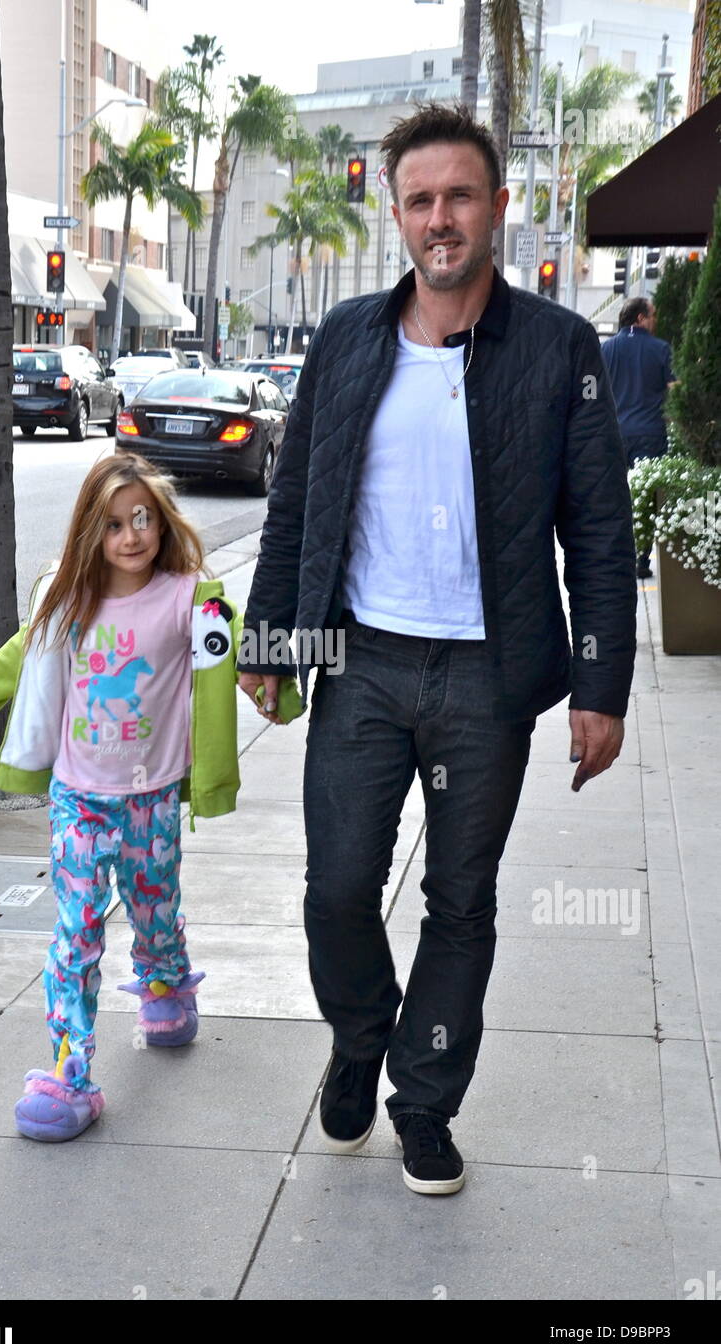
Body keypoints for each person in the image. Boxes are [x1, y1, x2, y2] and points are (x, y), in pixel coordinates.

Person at [236, 103, 637, 1197]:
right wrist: (275, 644)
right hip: (361, 665)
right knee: (335, 889)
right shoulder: (347, 338)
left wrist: (599, 683)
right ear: (396, 214)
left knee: (461, 903)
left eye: (459, 195)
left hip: (483, 678)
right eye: (419, 199)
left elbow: (600, 530)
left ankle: (423, 1101)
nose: (439, 217)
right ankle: (362, 1034)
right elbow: (297, 507)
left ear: (496, 208)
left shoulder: (558, 348)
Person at [0, 454, 292, 1141]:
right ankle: (70, 1075)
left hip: (151, 800)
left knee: (154, 908)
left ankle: (165, 984)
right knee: (76, 933)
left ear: (161, 523)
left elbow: (237, 654)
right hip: (79, 799)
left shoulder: (191, 595)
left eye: (143, 520)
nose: (131, 536)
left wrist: (275, 690)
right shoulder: (67, 602)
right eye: (112, 525)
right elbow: (17, 657)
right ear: (88, 533)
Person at [601, 297, 676, 578]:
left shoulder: (605, 349)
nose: (655, 320)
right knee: (645, 497)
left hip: (614, 434)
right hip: (649, 433)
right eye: (652, 315)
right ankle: (641, 561)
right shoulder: (661, 349)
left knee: (614, 496)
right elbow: (674, 388)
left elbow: (586, 386)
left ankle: (613, 556)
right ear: (640, 319)